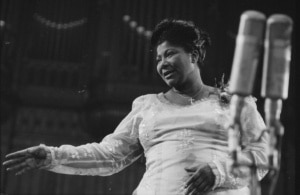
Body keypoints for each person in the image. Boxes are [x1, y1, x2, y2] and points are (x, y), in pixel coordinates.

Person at [3, 19, 268, 195]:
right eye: (158, 58)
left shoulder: (235, 103)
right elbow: (109, 155)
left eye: (170, 53)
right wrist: (51, 155)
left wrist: (218, 172)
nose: (162, 63)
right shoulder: (147, 107)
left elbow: (264, 154)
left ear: (195, 55)